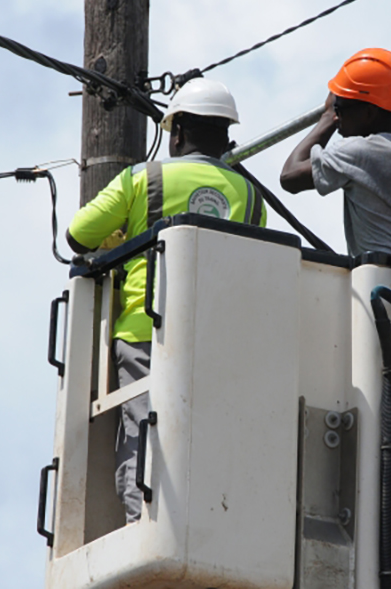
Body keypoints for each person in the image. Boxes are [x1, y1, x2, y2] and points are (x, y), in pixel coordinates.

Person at [66, 77, 266, 523]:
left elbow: (78, 235)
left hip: (144, 330)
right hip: (217, 336)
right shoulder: (251, 196)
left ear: (177, 133)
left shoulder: (144, 178)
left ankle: (145, 528)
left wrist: (120, 239)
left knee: (144, 429)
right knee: (203, 430)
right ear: (226, 139)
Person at [280, 47, 391, 256]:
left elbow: (289, 177)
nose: (337, 117)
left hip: (381, 273)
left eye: (340, 109)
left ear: (369, 112)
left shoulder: (360, 152)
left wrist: (327, 118)